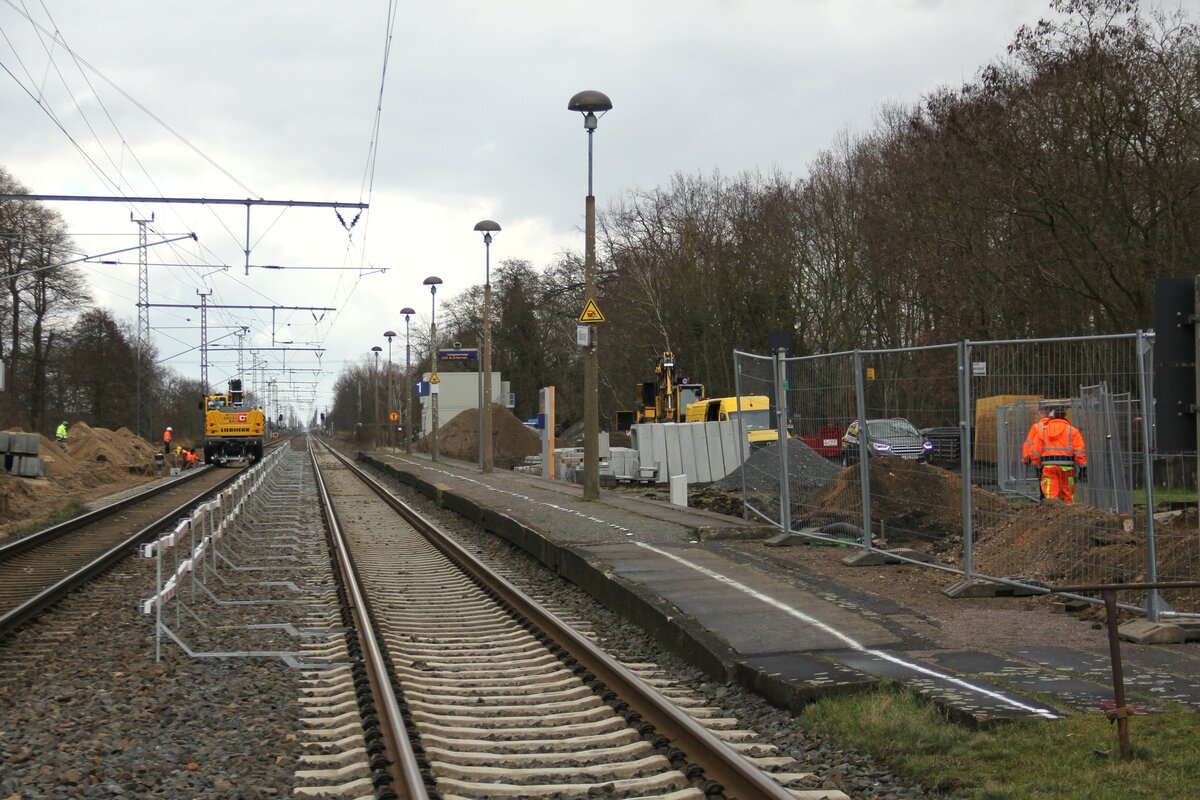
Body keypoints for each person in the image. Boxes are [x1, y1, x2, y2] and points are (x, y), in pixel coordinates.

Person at [1028, 406, 1087, 504]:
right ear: (1064, 416)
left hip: (1049, 467)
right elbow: (1079, 451)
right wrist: (1083, 468)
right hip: (1067, 468)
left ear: (1052, 417)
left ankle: (1052, 515)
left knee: (1051, 495)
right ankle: (1070, 514)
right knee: (1068, 495)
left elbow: (1035, 452)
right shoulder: (1073, 431)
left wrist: (1037, 467)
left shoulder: (1043, 431)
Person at [1022, 407, 1051, 498]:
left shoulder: (1036, 427)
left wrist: (1025, 459)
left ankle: (1044, 500)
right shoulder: (1055, 425)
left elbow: (1028, 444)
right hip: (1054, 457)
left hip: (1040, 460)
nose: (1037, 417)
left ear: (1043, 414)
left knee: (1042, 481)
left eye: (1038, 414)